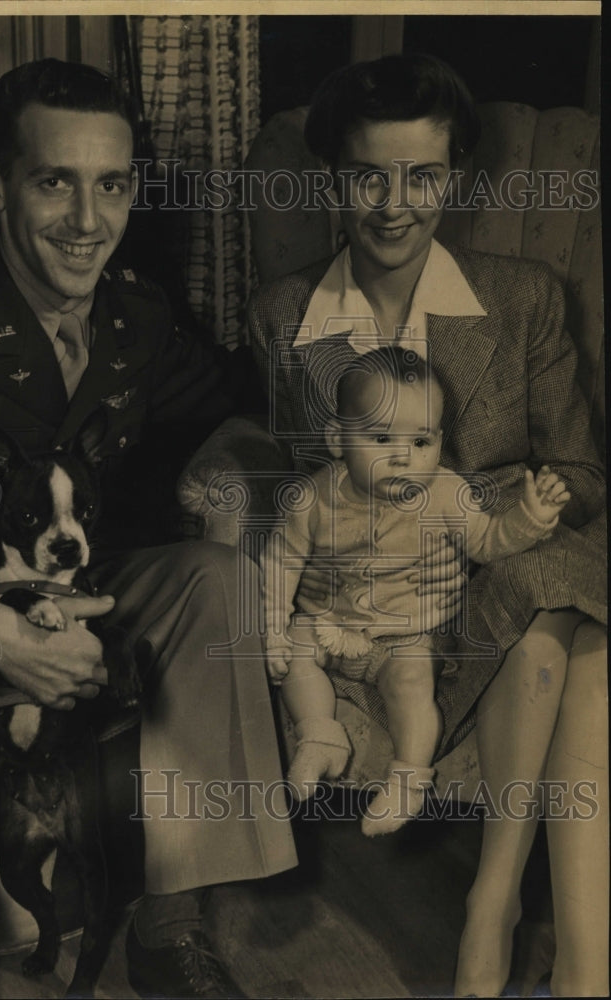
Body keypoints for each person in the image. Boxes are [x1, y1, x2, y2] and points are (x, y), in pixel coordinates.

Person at [0, 58, 303, 999]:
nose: (86, 219)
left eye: (110, 185)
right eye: (54, 180)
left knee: (209, 580)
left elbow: (232, 399)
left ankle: (168, 928)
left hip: (77, 590)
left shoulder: (135, 317)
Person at [248, 53, 607, 998]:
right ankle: (562, 953)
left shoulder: (522, 296)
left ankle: (495, 907)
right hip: (379, 604)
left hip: (509, 557)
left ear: (455, 176)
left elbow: (579, 470)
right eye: (369, 174)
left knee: (553, 596)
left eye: (423, 175)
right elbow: (300, 483)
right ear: (333, 177)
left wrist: (498, 511)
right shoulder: (286, 315)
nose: (394, 203)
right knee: (583, 653)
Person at [264, 346, 570, 836]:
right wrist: (274, 629)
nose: (404, 457)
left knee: (412, 689)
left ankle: (408, 779)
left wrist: (528, 519)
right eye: (382, 437)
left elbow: (489, 541)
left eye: (421, 441)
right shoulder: (313, 498)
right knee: (295, 660)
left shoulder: (447, 493)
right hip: (329, 622)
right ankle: (320, 736)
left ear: (439, 441)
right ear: (338, 439)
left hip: (409, 634)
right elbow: (281, 562)